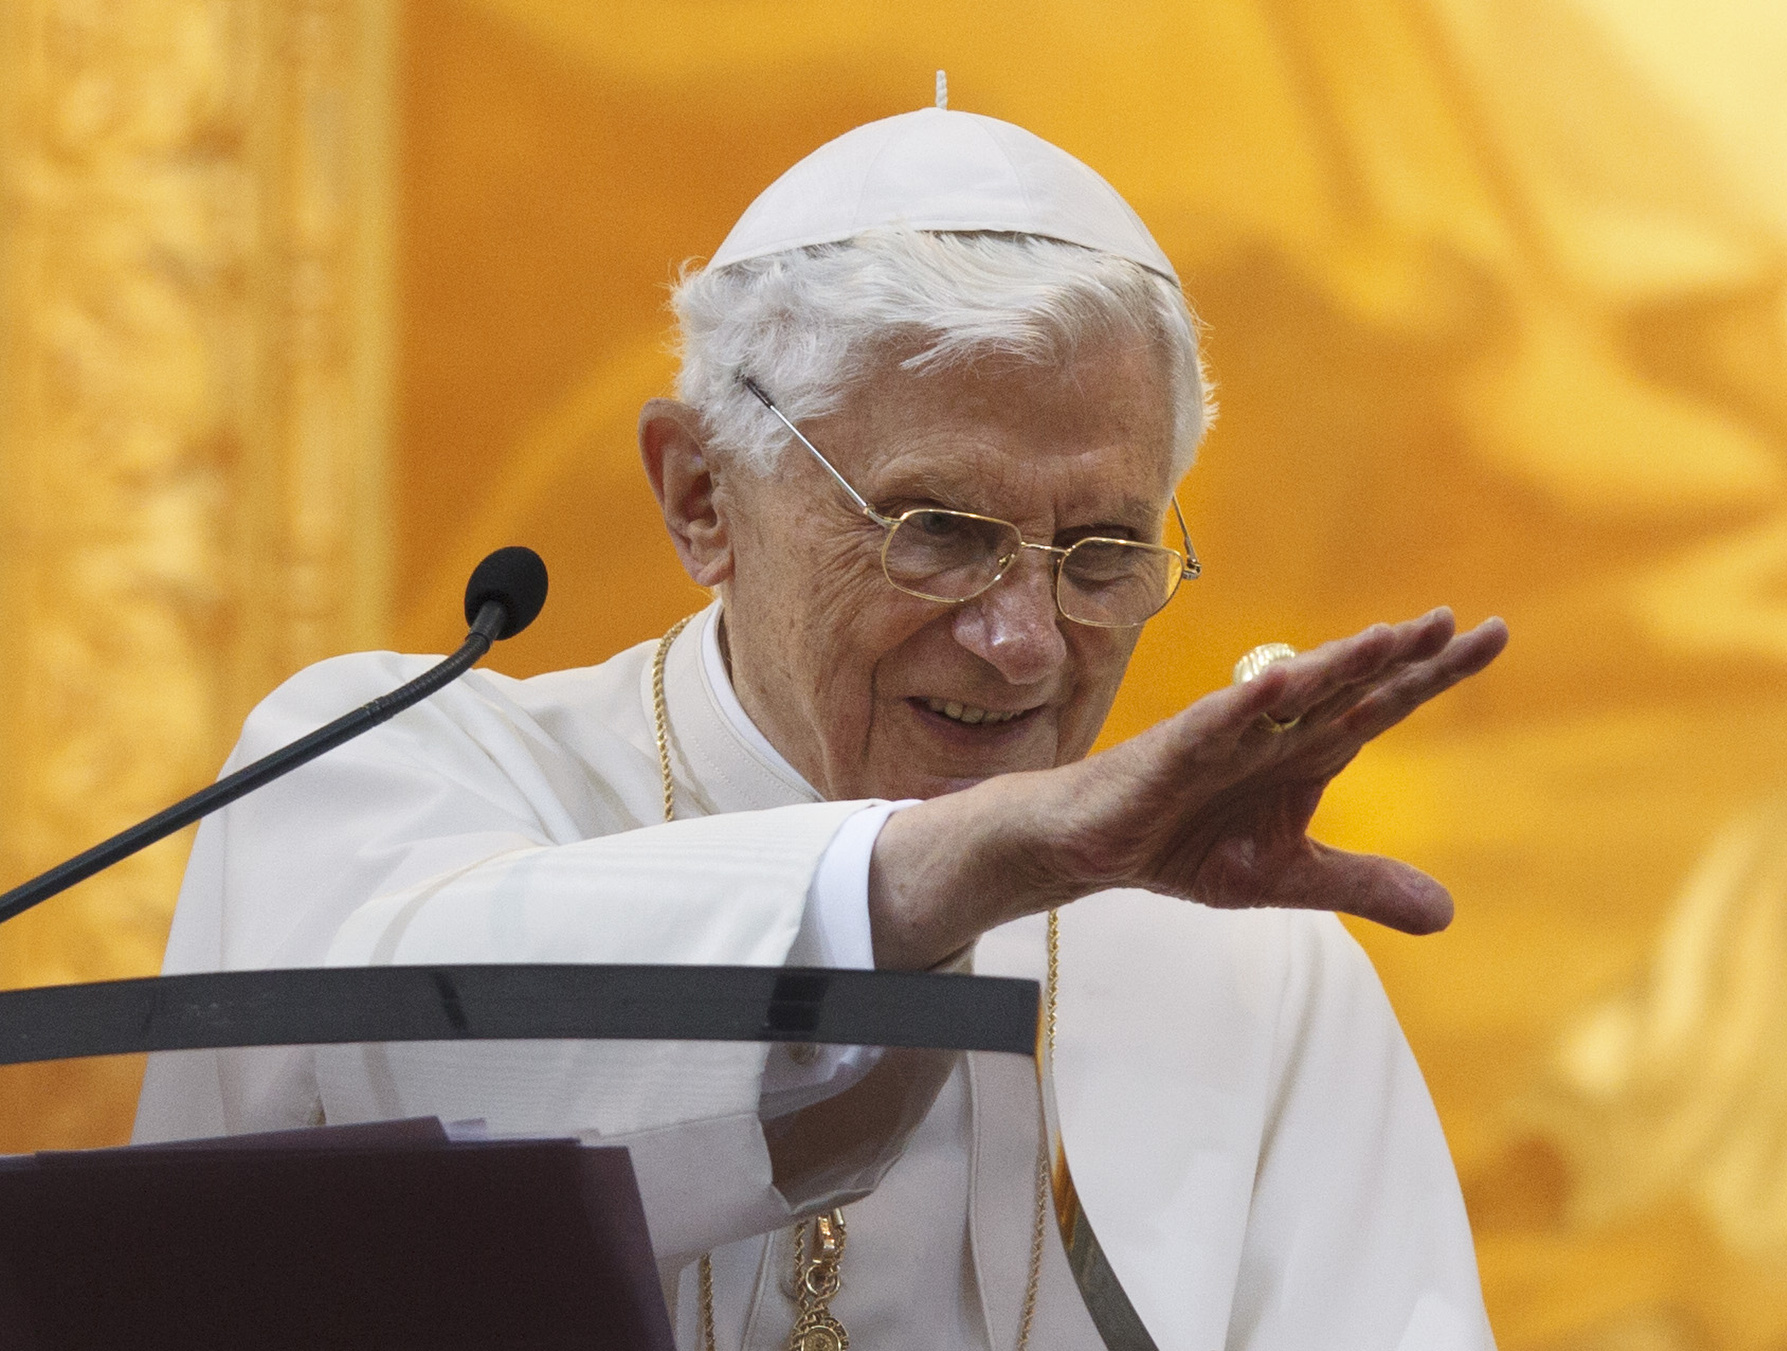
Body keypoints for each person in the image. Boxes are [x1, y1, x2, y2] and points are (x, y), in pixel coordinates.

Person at [134, 102, 1508, 1350]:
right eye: (940, 534)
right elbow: (395, 1083)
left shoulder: (1248, 960)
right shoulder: (380, 765)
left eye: (1100, 553)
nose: (1024, 639)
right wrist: (942, 873)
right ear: (701, 498)